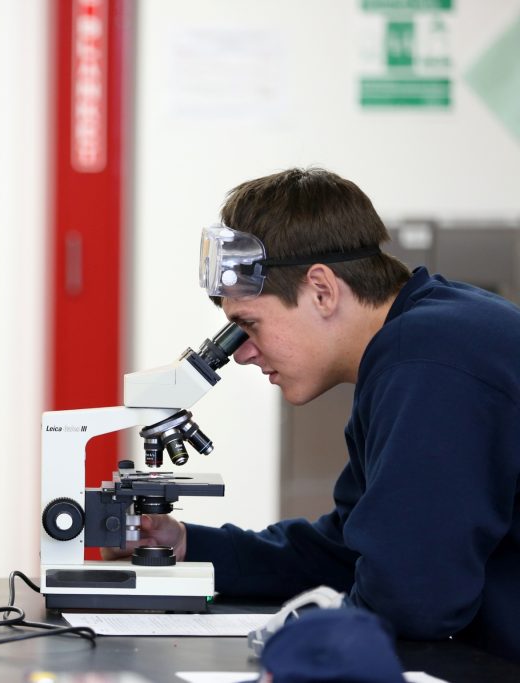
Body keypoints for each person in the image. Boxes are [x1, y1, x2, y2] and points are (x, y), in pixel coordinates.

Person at [110, 167, 520, 662]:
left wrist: (292, 637)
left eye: (248, 325)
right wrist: (188, 545)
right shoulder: (418, 341)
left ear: (322, 290)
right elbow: (344, 552)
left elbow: (414, 599)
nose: (241, 354)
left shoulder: (429, 361)